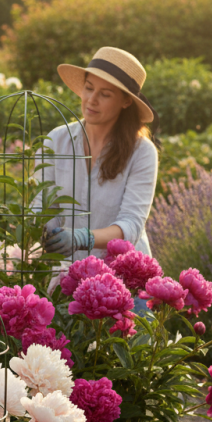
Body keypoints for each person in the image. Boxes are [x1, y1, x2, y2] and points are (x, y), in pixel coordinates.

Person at [38, 47, 159, 262]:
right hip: (68, 269)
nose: (92, 100)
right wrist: (38, 228)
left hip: (122, 269)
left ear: (126, 101)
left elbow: (131, 224)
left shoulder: (141, 152)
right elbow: (43, 204)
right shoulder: (57, 140)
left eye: (105, 94)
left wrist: (83, 237)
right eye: (89, 88)